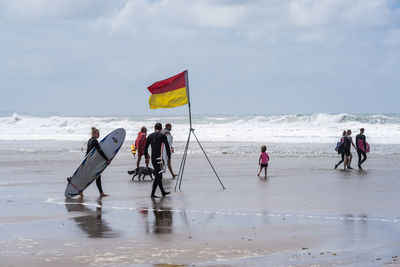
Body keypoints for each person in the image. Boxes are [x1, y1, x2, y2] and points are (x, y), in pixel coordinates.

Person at [145, 123, 171, 198]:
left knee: (159, 174)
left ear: (154, 128)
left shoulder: (150, 136)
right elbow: (167, 147)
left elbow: (145, 148)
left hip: (153, 158)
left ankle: (162, 192)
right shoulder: (163, 136)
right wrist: (169, 157)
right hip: (159, 158)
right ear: (161, 128)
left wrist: (146, 157)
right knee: (158, 176)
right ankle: (152, 194)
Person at [84, 127, 110, 198]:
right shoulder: (94, 141)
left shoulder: (90, 140)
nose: (99, 135)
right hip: (92, 162)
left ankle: (101, 192)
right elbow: (100, 150)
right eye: (98, 133)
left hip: (89, 161)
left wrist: (84, 161)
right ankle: (101, 193)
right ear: (94, 133)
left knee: (94, 176)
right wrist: (106, 159)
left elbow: (87, 152)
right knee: (97, 176)